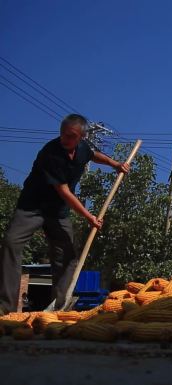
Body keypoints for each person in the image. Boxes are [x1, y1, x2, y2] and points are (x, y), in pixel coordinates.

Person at [0, 114, 129, 314]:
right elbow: (65, 192)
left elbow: (94, 155)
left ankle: (58, 307)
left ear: (81, 138)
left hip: (57, 212)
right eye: (62, 134)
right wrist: (90, 217)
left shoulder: (83, 149)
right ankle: (6, 308)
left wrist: (115, 164)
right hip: (32, 207)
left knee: (68, 256)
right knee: (10, 242)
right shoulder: (51, 154)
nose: (64, 139)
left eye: (70, 136)